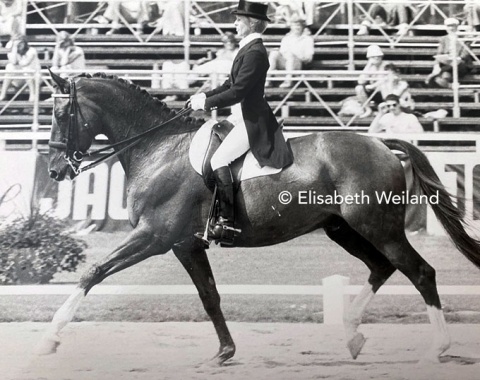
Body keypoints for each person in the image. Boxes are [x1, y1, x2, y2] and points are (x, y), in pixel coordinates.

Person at [189, 0, 294, 245]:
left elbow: (238, 92)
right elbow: (229, 85)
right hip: (239, 116)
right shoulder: (247, 48)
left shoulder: (256, 52)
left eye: (239, 19)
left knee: (218, 160)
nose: (235, 23)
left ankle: (227, 223)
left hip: (252, 120)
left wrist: (206, 104)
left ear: (252, 22)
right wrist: (204, 96)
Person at [267, 14, 314, 88]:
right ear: (291, 27)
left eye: (299, 25)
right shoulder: (286, 38)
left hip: (298, 63)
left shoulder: (308, 39)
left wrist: (296, 56)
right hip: (285, 62)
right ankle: (267, 80)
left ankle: (288, 81)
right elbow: (282, 52)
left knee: (290, 56)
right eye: (294, 25)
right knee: (274, 53)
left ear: (302, 27)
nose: (296, 27)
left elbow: (309, 58)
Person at [425, 18, 473, 89]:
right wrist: (436, 65)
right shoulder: (443, 39)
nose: (450, 28)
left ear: (457, 27)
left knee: (445, 72)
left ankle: (436, 75)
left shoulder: (464, 38)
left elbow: (465, 53)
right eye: (448, 26)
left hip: (461, 65)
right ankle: (450, 85)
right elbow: (439, 53)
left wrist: (458, 59)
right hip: (448, 65)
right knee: (443, 77)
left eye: (452, 26)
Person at [0, 36, 40, 102]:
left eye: (21, 43)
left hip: (34, 78)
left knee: (26, 69)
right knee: (10, 66)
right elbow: (13, 61)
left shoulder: (32, 50)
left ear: (25, 43)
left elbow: (24, 63)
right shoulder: (13, 51)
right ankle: (3, 94)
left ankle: (33, 95)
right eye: (18, 44)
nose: (20, 45)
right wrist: (15, 48)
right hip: (21, 78)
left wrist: (17, 55)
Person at [355, 44, 389, 117]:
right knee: (359, 88)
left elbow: (386, 80)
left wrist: (373, 86)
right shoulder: (370, 67)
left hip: (385, 91)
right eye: (373, 57)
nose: (376, 58)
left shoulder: (387, 65)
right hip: (373, 91)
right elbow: (360, 81)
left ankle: (387, 110)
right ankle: (368, 109)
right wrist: (368, 65)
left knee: (383, 86)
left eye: (378, 56)